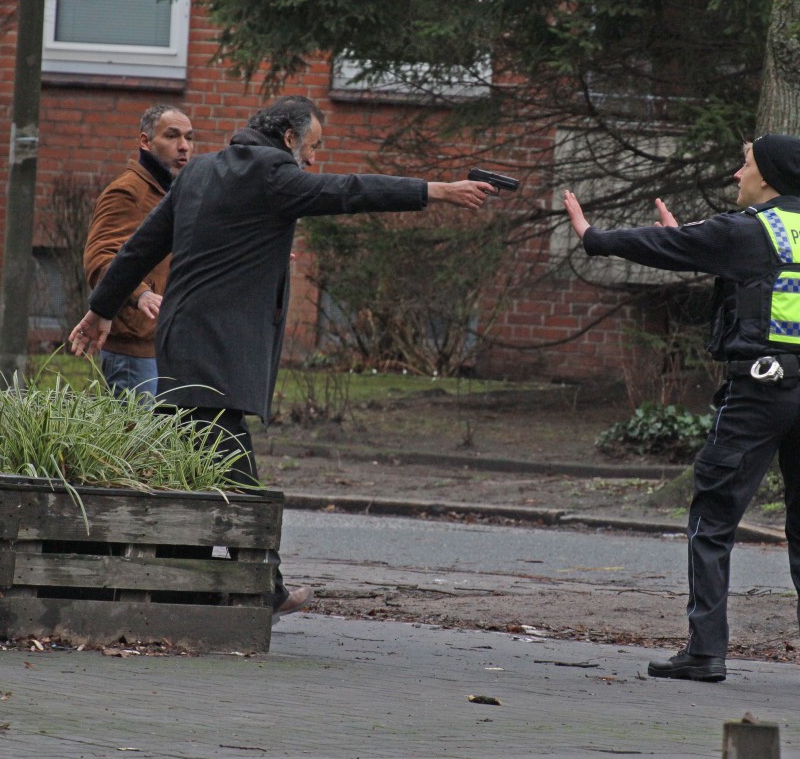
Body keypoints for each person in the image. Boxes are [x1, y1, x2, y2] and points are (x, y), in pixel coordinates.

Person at [69, 95, 493, 618]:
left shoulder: (201, 171)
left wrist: (101, 310)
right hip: (217, 350)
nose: (314, 161)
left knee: (193, 464)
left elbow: (139, 248)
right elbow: (350, 191)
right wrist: (437, 191)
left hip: (180, 341)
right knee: (232, 466)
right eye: (312, 147)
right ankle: (260, 587)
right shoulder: (273, 174)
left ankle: (191, 578)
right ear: (289, 139)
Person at [562, 133, 800, 685]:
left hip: (757, 396)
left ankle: (705, 651)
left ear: (765, 176)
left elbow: (667, 245)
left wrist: (594, 238)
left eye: (743, 165)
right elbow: (762, 285)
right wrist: (693, 247)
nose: (736, 176)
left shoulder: (749, 229)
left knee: (712, 518)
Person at [83, 104, 194, 398]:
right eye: (172, 136)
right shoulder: (129, 192)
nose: (183, 146)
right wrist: (140, 293)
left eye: (188, 138)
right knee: (133, 443)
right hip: (133, 351)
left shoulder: (175, 194)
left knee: (159, 444)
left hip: (167, 345)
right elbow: (100, 257)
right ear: (145, 142)